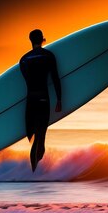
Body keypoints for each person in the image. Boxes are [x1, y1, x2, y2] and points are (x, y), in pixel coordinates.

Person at [19, 29, 62, 171]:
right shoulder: (48, 56)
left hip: (30, 100)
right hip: (43, 99)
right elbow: (55, 78)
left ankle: (33, 171)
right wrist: (59, 100)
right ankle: (35, 173)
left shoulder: (24, 60)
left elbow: (27, 81)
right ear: (42, 39)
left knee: (33, 136)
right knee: (40, 138)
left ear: (30, 40)